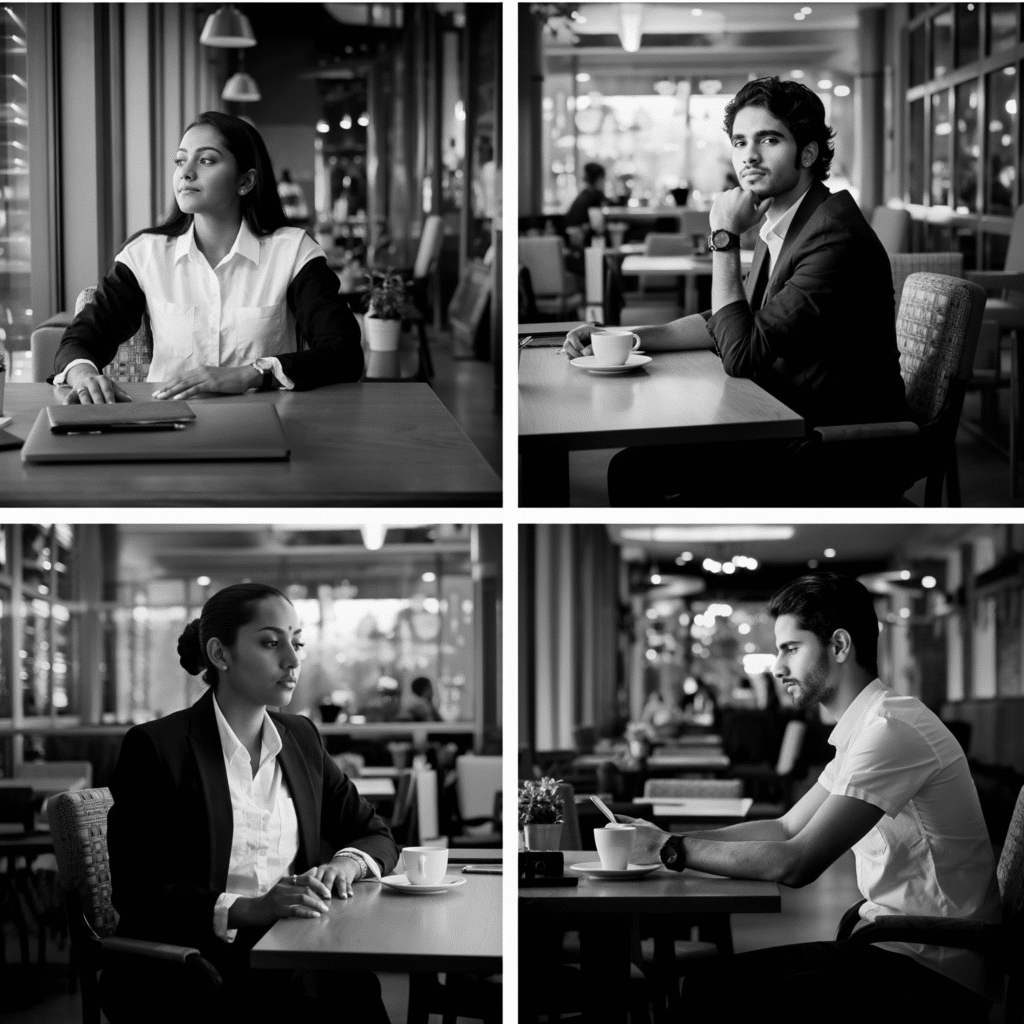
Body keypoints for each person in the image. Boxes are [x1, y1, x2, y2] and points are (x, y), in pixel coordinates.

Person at [618, 572, 1000, 1022]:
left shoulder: (892, 732)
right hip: (892, 946)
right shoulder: (866, 730)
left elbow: (797, 862)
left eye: (791, 649)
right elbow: (784, 827)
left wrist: (671, 850)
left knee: (713, 995)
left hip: (932, 970)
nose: (778, 667)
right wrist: (667, 838)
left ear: (839, 646)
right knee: (708, 984)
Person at [564, 78, 911, 505]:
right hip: (784, 417)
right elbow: (732, 321)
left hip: (834, 445)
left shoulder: (832, 236)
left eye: (769, 139)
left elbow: (742, 353)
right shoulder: (786, 223)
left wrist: (724, 238)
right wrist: (623, 337)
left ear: (807, 152)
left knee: (635, 471)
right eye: (740, 141)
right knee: (632, 466)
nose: (749, 155)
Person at [102, 583, 398, 1023]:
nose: (293, 660)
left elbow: (374, 832)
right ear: (221, 654)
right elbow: (138, 893)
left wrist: (346, 865)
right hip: (196, 969)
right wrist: (250, 908)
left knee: (356, 992)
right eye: (270, 642)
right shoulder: (157, 749)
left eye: (296, 643)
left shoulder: (300, 738)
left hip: (296, 951)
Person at [53, 111, 363, 405]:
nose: (185, 173)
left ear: (246, 181)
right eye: (180, 160)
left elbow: (344, 353)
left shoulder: (293, 252)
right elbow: (82, 339)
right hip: (169, 426)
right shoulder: (146, 254)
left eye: (206, 160)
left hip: (268, 425)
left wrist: (250, 375)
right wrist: (84, 375)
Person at [564, 162, 607, 229]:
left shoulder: (585, 194)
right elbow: (597, 225)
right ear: (599, 178)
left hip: (571, 233)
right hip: (582, 235)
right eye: (603, 179)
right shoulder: (595, 195)